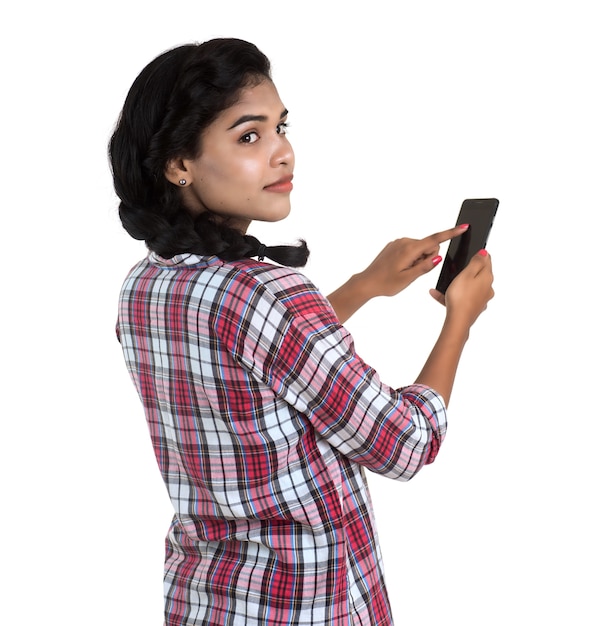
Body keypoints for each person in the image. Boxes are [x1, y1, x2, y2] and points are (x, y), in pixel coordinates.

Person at [110, 38, 494, 626]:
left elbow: (257, 364)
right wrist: (458, 320)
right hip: (306, 604)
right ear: (178, 164)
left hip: (203, 600)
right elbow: (406, 444)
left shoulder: (145, 286)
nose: (282, 152)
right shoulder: (270, 296)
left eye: (281, 127)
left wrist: (364, 285)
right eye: (248, 136)